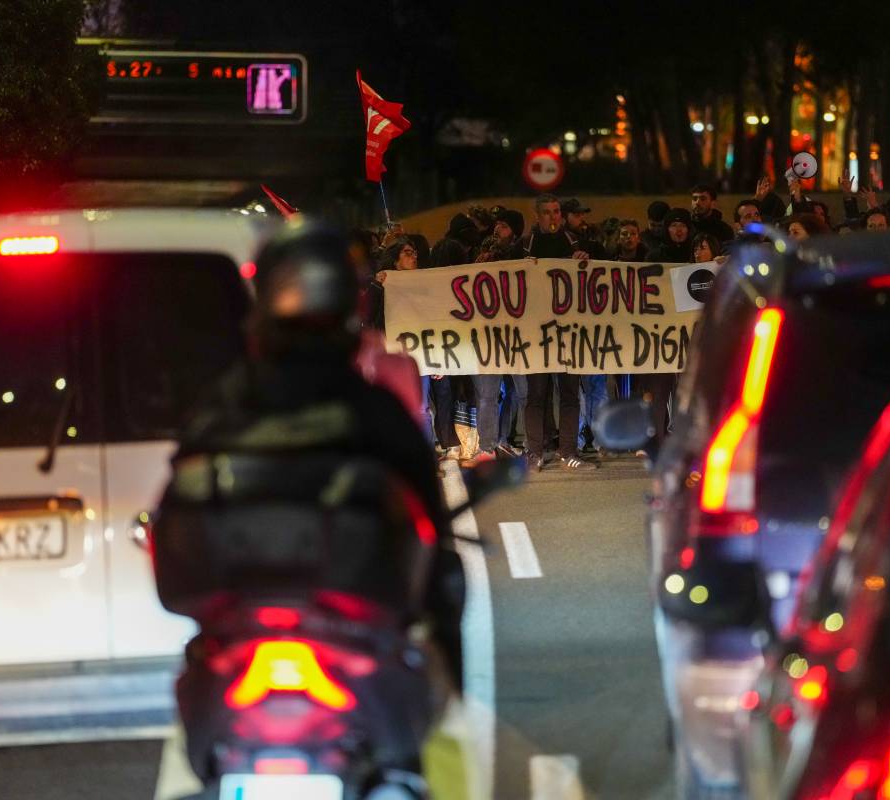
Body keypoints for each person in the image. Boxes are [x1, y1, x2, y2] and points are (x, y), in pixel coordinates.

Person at [158, 217, 465, 689]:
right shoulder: (372, 407)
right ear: (347, 298)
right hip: (339, 620)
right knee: (444, 579)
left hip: (262, 625)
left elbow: (178, 489)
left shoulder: (224, 401)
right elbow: (426, 506)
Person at [510, 194, 595, 471]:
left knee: (570, 394)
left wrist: (586, 261)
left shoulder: (576, 243)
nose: (553, 217)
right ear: (537, 216)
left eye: (556, 211)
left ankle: (568, 451)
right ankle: (535, 452)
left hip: (569, 333)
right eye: (547, 212)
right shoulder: (524, 246)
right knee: (537, 395)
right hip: (536, 335)